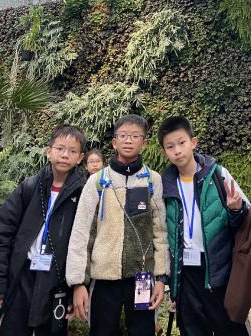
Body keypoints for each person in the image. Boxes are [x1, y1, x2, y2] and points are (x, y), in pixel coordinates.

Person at [66, 114, 169, 336]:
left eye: (135, 136)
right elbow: (81, 233)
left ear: (144, 143)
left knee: (143, 332)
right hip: (103, 278)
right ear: (114, 142)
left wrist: (162, 278)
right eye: (123, 135)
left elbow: (160, 232)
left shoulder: (152, 180)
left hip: (142, 278)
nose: (128, 140)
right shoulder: (97, 181)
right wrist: (78, 283)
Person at [0, 125, 89, 336]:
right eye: (60, 148)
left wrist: (76, 287)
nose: (65, 155)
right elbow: (2, 236)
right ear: (48, 151)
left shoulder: (83, 194)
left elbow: (86, 243)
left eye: (72, 151)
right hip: (22, 276)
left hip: (56, 281)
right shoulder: (29, 188)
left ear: (80, 158)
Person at [157, 116, 250, 336]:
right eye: (170, 146)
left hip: (218, 270)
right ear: (164, 151)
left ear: (193, 142)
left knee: (229, 328)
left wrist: (236, 209)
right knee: (192, 329)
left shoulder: (217, 175)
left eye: (181, 143)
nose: (177, 150)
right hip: (185, 274)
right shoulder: (164, 185)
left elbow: (244, 222)